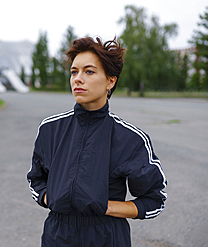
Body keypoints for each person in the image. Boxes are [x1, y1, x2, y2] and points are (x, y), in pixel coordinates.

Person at [27, 36, 167, 247]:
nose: (77, 79)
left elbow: (154, 200)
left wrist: (105, 207)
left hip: (107, 236)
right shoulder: (50, 129)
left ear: (110, 81)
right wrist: (53, 199)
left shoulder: (130, 139)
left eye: (89, 71)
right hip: (57, 235)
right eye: (74, 72)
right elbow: (36, 180)